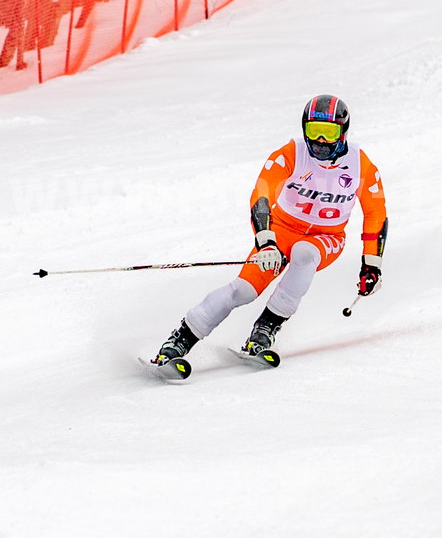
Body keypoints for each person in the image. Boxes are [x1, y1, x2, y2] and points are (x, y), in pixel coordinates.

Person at [149, 94, 387, 377]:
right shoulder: (290, 154)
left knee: (305, 254)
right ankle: (178, 342)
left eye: (329, 132)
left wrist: (371, 266)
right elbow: (261, 195)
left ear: (343, 132)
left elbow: (376, 213)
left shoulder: (361, 165)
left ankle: (265, 329)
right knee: (243, 291)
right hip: (281, 231)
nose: (321, 140)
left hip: (327, 237)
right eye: (314, 131)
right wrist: (266, 242)